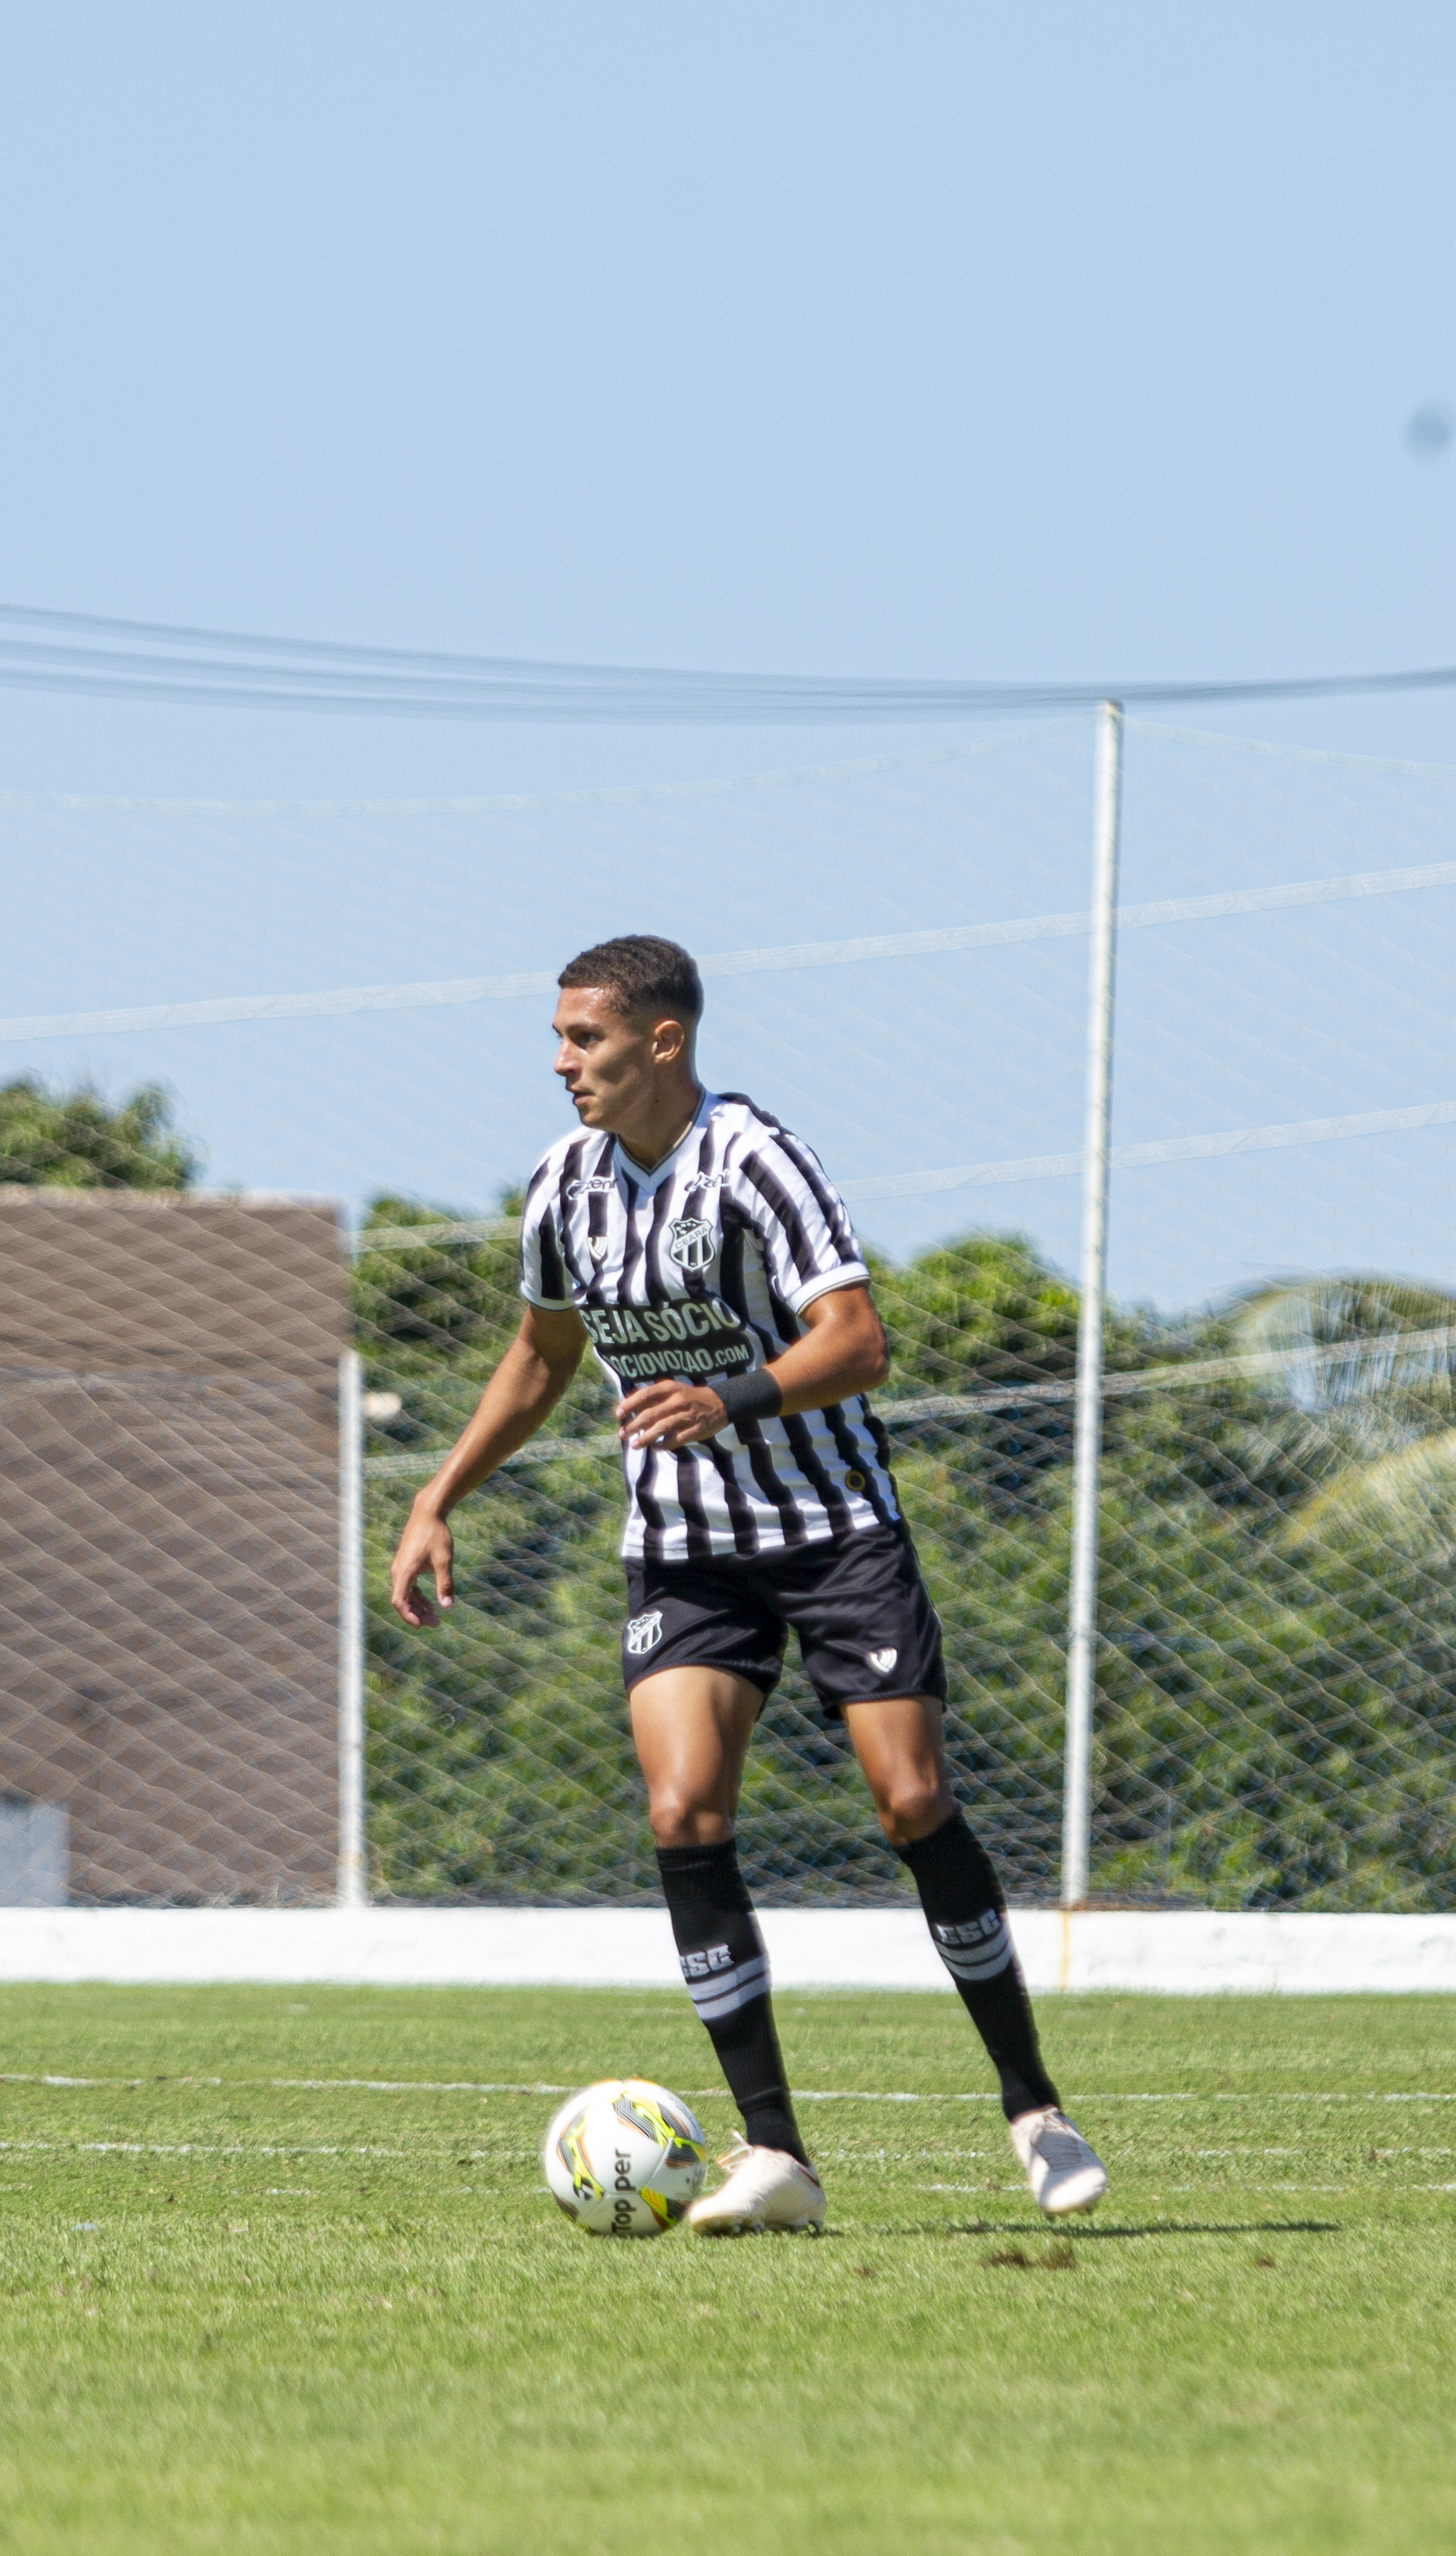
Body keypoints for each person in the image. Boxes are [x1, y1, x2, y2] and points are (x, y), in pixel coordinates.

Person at [390, 934, 1105, 2231]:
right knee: (683, 1814)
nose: (563, 1065)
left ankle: (1034, 2110)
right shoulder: (562, 1185)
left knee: (911, 1800)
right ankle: (774, 2157)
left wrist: (728, 1396)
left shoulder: (755, 1161)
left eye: (585, 1040)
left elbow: (858, 1342)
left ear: (662, 1041)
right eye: (557, 1039)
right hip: (683, 1548)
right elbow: (543, 1356)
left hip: (835, 1530)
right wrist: (440, 1495)